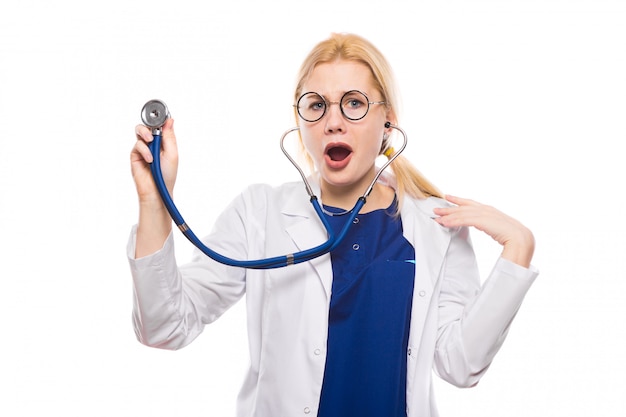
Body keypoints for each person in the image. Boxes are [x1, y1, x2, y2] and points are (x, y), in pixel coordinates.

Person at [128, 33, 538, 417]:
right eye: (316, 104)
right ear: (301, 121)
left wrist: (518, 249)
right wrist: (153, 201)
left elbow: (460, 365)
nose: (334, 122)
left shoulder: (437, 225)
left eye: (355, 103)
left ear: (388, 122)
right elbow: (166, 327)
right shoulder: (259, 213)